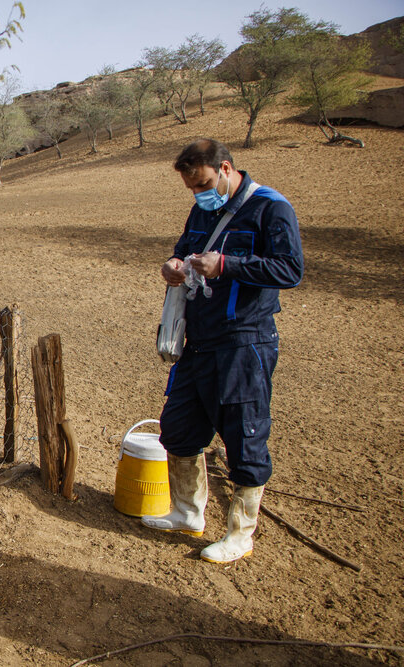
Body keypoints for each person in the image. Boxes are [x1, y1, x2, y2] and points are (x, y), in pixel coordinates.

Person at [142, 138, 303, 563]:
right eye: (192, 188)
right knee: (177, 427)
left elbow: (290, 269)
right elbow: (183, 249)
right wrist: (173, 266)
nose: (199, 194)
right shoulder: (203, 208)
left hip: (244, 342)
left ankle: (240, 534)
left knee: (244, 435)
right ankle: (186, 512)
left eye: (204, 184)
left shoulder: (272, 208)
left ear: (226, 169)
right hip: (199, 341)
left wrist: (228, 265)